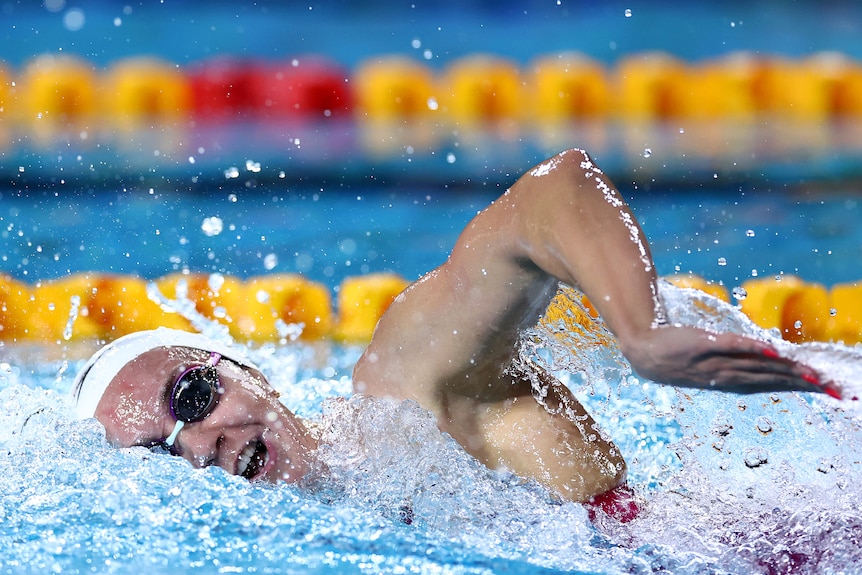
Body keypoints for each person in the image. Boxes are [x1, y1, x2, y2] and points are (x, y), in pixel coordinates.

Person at [72, 148, 840, 522]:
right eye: (162, 458)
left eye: (193, 393)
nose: (200, 441)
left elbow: (553, 193)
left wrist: (643, 333)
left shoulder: (405, 396)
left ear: (245, 368)